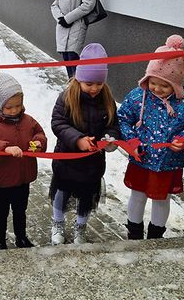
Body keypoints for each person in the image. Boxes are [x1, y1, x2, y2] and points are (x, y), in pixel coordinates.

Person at [118, 35, 184, 240]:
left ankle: (156, 236)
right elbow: (122, 119)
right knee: (137, 195)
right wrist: (132, 141)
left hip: (167, 162)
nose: (156, 89)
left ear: (176, 85)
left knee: (161, 199)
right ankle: (134, 232)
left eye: (164, 86)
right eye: (152, 83)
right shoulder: (138, 96)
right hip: (141, 157)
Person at [49, 43, 119, 245]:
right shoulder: (66, 98)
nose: (94, 88)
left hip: (92, 164)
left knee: (86, 199)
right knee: (61, 196)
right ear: (79, 79)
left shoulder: (107, 99)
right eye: (89, 83)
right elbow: (58, 123)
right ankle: (58, 223)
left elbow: (113, 125)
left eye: (98, 83)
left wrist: (109, 139)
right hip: (67, 161)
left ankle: (81, 227)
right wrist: (77, 139)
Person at [0, 69, 47, 250]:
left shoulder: (28, 121)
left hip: (23, 177)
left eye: (18, 105)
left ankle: (21, 237)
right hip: (1, 179)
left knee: (20, 210)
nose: (14, 110)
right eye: (9, 107)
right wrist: (4, 147)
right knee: (0, 211)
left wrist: (38, 143)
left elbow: (40, 134)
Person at [50, 0, 96, 79]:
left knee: (73, 58)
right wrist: (60, 18)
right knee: (66, 59)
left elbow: (88, 4)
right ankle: (71, 87)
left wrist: (68, 18)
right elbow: (55, 5)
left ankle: (76, 89)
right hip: (62, 27)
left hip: (77, 26)